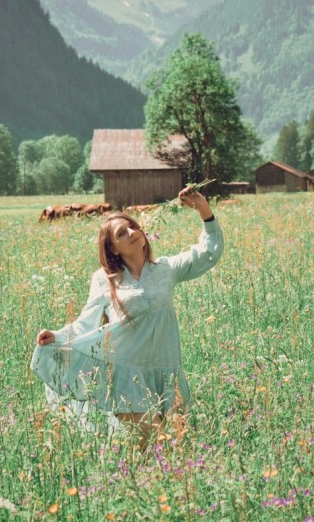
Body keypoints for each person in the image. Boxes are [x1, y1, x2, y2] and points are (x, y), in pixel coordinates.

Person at [30, 186, 223, 445]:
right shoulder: (104, 280)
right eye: (123, 233)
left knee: (173, 449)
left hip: (166, 372)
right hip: (124, 374)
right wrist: (57, 336)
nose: (133, 232)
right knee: (158, 442)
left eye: (133, 227)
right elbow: (85, 324)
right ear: (114, 249)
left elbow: (208, 253)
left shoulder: (166, 268)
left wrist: (204, 210)